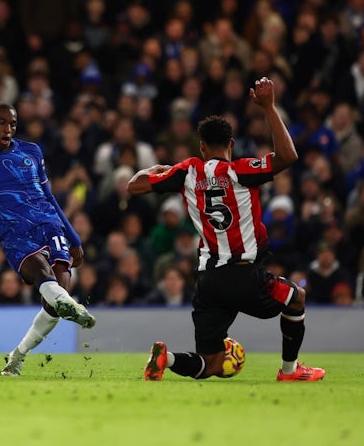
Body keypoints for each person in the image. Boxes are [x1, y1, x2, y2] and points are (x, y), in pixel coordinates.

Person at [127, 77, 325, 382]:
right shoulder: (240, 171)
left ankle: (166, 360)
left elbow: (134, 186)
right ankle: (290, 370)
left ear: (202, 146)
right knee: (296, 297)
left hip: (208, 281)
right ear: (231, 144)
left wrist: (152, 170)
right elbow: (288, 156)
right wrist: (269, 107)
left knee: (212, 366)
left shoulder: (188, 171)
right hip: (245, 274)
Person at [0, 101, 96, 377]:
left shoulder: (32, 152)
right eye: (1, 122)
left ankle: (18, 356)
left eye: (13, 124)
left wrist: (74, 237)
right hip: (13, 233)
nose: (8, 129)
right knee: (44, 278)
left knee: (54, 301)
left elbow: (49, 196)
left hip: (49, 225)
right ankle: (70, 309)